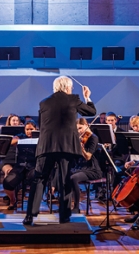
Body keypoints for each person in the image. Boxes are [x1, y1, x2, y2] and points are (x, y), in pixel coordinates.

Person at [23, 76, 96, 225]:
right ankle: (64, 216)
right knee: (64, 181)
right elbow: (91, 112)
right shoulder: (73, 99)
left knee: (39, 179)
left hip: (46, 146)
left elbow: (43, 125)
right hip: (66, 147)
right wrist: (87, 98)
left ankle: (30, 215)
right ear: (68, 87)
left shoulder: (44, 102)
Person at [69, 118, 102, 214]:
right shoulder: (81, 138)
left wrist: (82, 149)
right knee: (64, 174)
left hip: (93, 169)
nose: (79, 131)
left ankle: (76, 207)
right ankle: (66, 205)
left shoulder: (93, 138)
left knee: (74, 178)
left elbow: (88, 157)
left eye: (80, 128)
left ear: (86, 125)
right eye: (77, 129)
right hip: (82, 167)